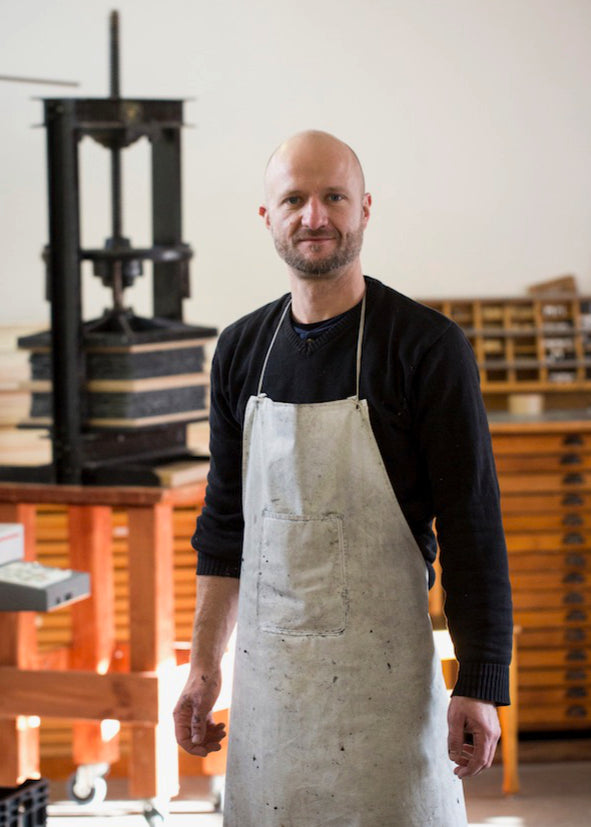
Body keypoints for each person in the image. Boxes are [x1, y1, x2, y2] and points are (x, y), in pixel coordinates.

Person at [174, 130, 513, 826]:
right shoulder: (241, 350)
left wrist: (478, 682)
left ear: (364, 208)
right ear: (267, 217)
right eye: (293, 199)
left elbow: (472, 525)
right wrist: (203, 671)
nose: (314, 216)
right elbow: (222, 529)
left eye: (333, 196)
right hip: (269, 697)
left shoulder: (424, 347)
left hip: (383, 695)